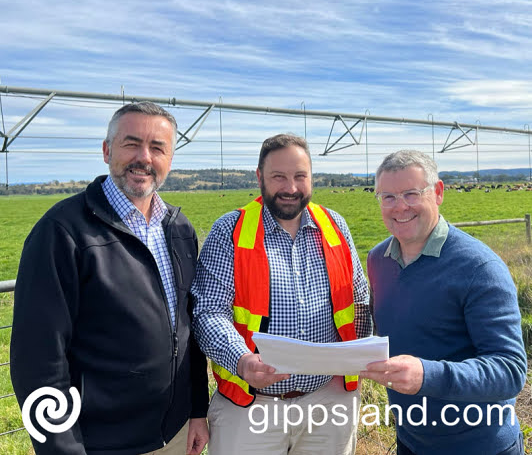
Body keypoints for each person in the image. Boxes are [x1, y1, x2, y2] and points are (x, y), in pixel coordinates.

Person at [11, 102, 209, 455]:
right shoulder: (62, 232)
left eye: (158, 148)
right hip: (100, 443)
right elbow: (38, 357)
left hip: (175, 433)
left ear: (170, 158)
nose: (144, 158)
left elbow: (187, 328)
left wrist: (196, 410)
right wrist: (62, 449)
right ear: (107, 151)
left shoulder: (179, 229)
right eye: (131, 143)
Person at [192, 133, 372, 455]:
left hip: (328, 399)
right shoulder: (229, 231)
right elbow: (208, 312)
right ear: (259, 177)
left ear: (311, 178)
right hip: (251, 404)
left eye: (300, 176)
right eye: (279, 177)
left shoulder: (335, 226)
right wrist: (243, 360)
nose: (291, 188)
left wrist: (358, 360)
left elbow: (359, 302)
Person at [361, 150, 527, 455]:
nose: (400, 207)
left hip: (478, 446)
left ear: (437, 193)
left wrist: (427, 376)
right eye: (388, 197)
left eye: (411, 193)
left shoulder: (479, 267)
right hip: (411, 441)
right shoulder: (377, 260)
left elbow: (510, 370)